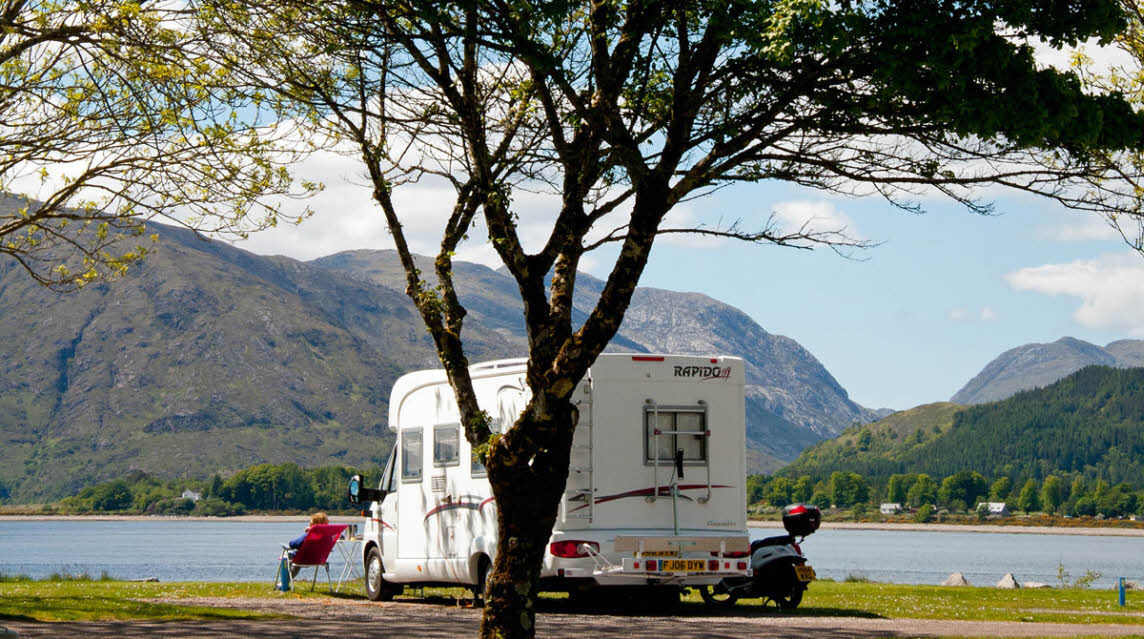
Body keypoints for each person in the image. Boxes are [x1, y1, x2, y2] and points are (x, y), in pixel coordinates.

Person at [287, 512, 329, 577]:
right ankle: (285, 581)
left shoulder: (309, 534)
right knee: (297, 556)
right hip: (319, 560)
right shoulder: (327, 536)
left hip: (304, 559)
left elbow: (294, 544)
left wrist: (309, 532)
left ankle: (284, 582)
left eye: (311, 523)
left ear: (313, 525)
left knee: (287, 555)